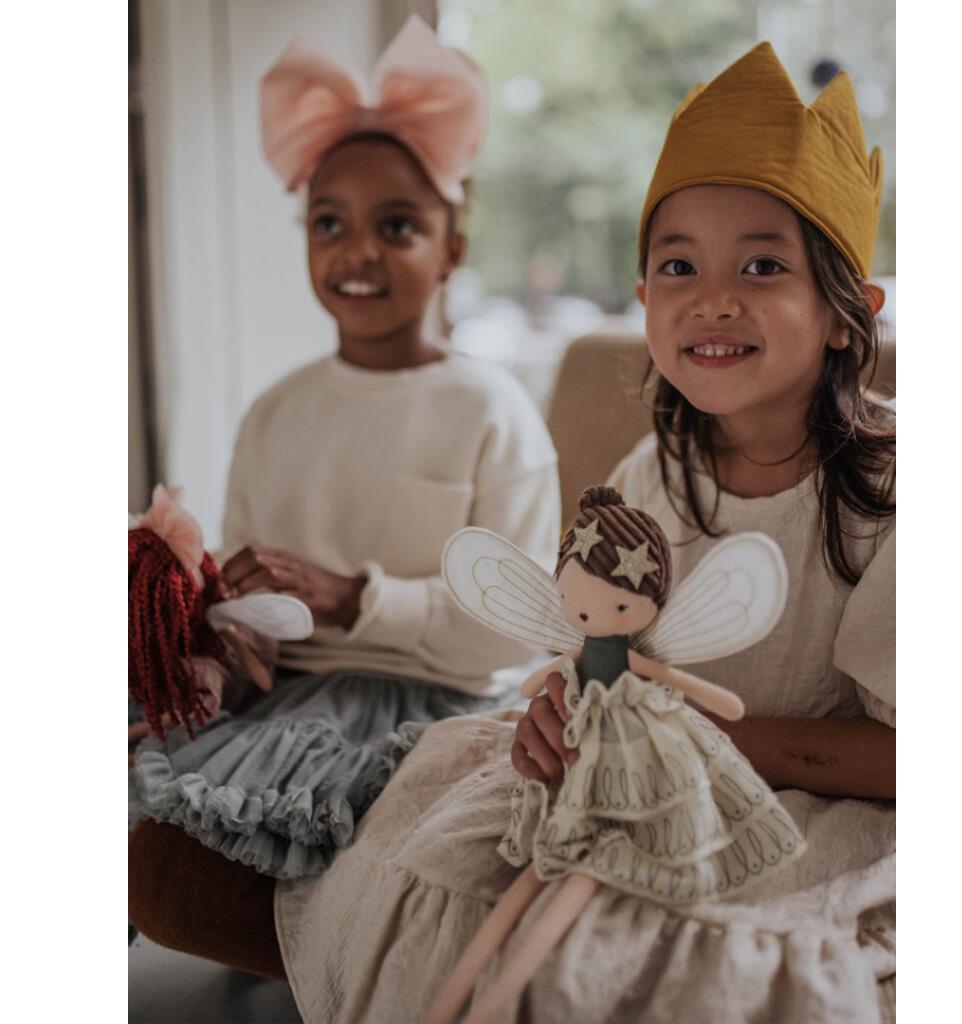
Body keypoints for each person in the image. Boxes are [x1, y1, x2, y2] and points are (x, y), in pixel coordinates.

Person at [264, 43, 896, 1023]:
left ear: (848, 315)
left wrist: (704, 742)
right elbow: (598, 647)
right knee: (446, 891)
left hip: (806, 808)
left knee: (682, 961)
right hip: (643, 777)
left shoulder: (896, 494)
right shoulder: (651, 474)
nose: (712, 296)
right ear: (645, 301)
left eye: (763, 265)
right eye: (677, 265)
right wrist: (564, 718)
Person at [128, 16, 560, 979]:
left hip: (447, 713)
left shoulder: (494, 412)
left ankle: (366, 959)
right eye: (329, 223)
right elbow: (252, 624)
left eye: (396, 225)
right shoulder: (276, 414)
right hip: (291, 705)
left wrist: (354, 595)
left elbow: (517, 630)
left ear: (451, 249)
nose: (357, 251)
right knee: (149, 851)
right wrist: (213, 648)